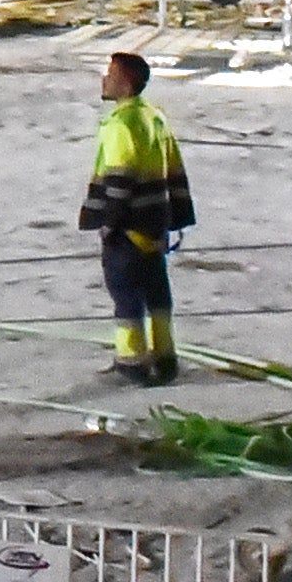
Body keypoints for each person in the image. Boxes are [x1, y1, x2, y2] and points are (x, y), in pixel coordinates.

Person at [78, 52, 192, 386]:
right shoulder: (155, 118)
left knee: (126, 295)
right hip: (155, 223)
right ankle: (164, 357)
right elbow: (175, 169)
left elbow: (119, 177)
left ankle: (132, 362)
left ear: (125, 83)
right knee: (157, 293)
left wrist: (108, 223)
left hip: (127, 227)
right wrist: (180, 217)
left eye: (110, 74)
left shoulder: (120, 124)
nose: (104, 79)